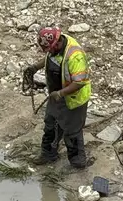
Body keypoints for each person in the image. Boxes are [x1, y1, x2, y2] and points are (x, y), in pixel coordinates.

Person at [23, 27, 92, 169]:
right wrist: (35, 67)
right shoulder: (56, 45)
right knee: (51, 124)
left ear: (57, 44)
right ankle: (48, 154)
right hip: (56, 95)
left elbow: (79, 82)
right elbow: (50, 57)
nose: (49, 51)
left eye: (50, 49)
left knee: (72, 131)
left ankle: (78, 162)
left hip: (74, 99)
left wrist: (60, 94)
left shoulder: (75, 56)